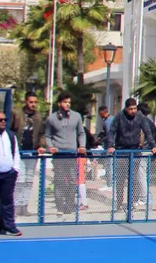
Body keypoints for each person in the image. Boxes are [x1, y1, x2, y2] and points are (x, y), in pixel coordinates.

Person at [107, 98, 156, 209]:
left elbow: (147, 132)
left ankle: (132, 203)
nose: (133, 111)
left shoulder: (140, 116)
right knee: (120, 180)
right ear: (126, 108)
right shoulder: (119, 116)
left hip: (135, 152)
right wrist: (110, 145)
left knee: (134, 179)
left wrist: (154, 146)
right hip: (121, 151)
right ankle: (119, 202)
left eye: (135, 108)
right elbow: (112, 131)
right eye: (130, 109)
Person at [42, 92, 86, 220]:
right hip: (59, 155)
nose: (67, 104)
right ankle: (60, 206)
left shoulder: (76, 116)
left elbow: (81, 133)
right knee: (60, 181)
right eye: (65, 102)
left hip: (72, 154)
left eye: (69, 102)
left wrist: (82, 146)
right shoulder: (51, 118)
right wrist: (50, 147)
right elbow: (48, 136)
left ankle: (69, 205)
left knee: (73, 181)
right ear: (59, 104)